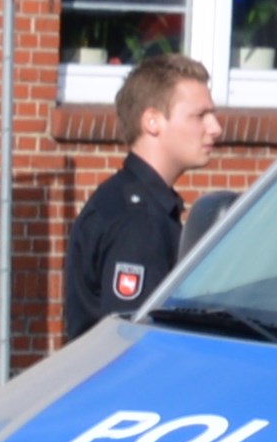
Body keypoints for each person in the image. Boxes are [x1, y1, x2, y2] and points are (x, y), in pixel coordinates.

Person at [62, 49, 216, 338]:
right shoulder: (139, 221)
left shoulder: (133, 202)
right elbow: (134, 340)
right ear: (152, 122)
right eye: (200, 116)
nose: (215, 128)